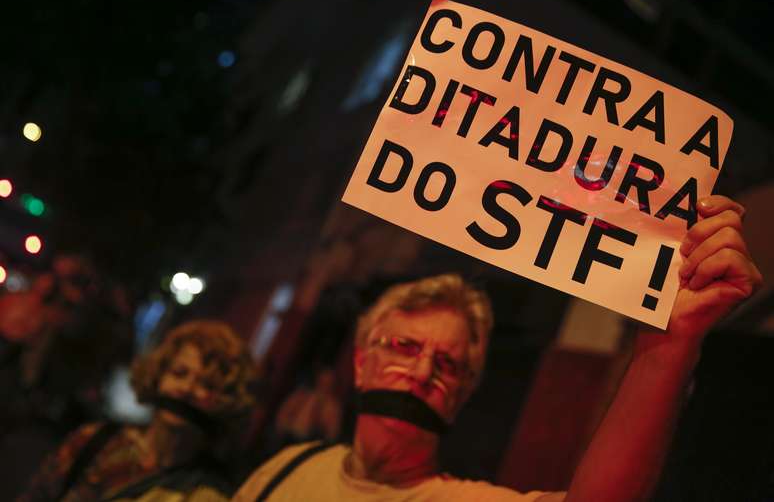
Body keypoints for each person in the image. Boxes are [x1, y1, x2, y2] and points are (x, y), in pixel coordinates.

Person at [233, 194, 762, 502]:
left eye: (447, 364)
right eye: (403, 345)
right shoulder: (284, 471)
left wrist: (670, 346)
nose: (421, 372)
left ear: (462, 392)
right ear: (360, 360)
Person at [17, 319, 258, 502]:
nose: (187, 389)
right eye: (179, 373)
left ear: (227, 401)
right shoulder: (95, 441)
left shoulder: (208, 493)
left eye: (207, 384)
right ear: (158, 377)